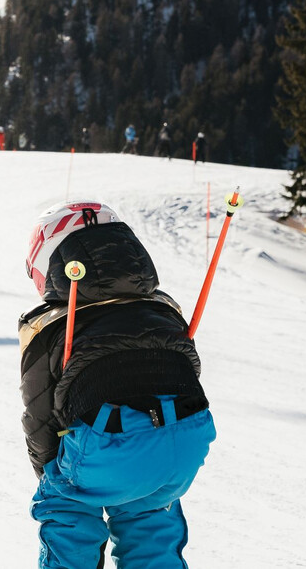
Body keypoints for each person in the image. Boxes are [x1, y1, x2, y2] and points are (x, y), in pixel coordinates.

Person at [19, 202, 214, 569]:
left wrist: (53, 477)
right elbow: (188, 367)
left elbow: (41, 417)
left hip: (107, 440)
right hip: (188, 433)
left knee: (68, 502)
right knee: (149, 506)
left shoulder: (49, 325)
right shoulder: (164, 306)